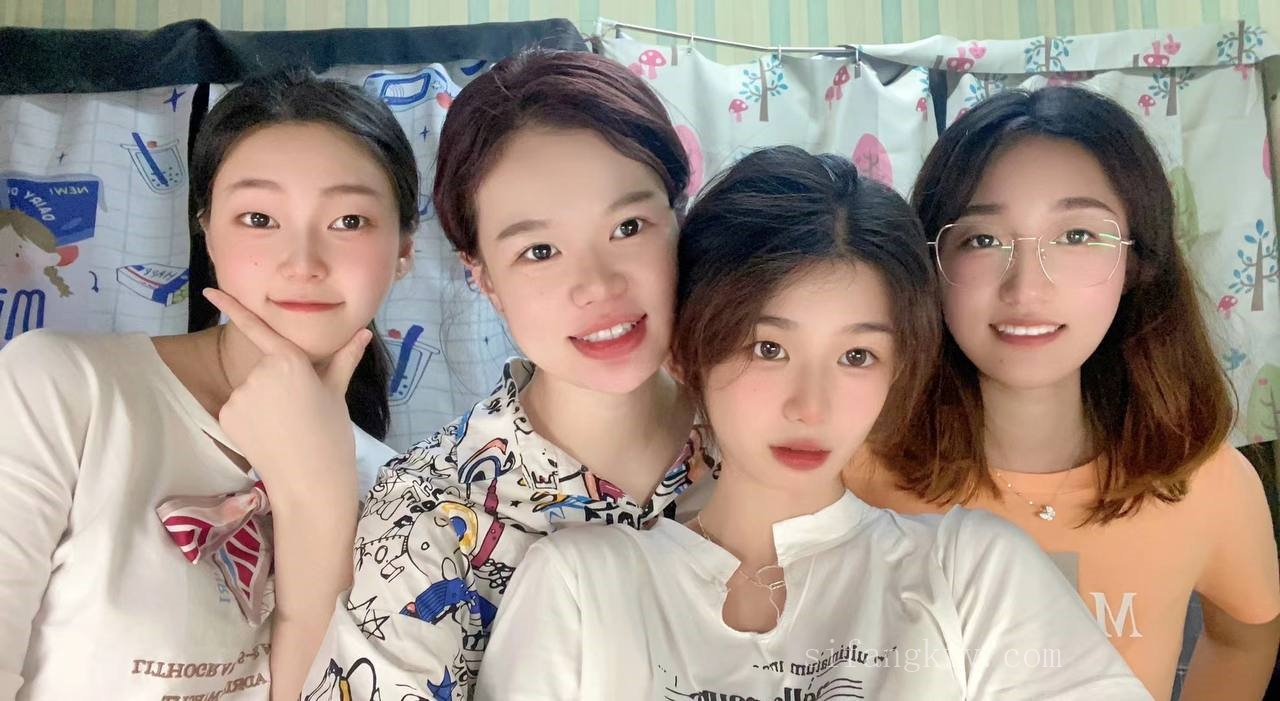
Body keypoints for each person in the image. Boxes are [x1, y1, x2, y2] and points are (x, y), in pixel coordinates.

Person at [476, 145, 1152, 701]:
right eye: (769, 348)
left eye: (857, 356)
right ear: (689, 351)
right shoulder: (581, 586)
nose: (812, 406)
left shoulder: (969, 572)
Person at [298, 50, 716, 701]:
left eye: (628, 226)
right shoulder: (428, 512)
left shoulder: (771, 434)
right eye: (539, 250)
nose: (598, 285)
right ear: (485, 277)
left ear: (678, 221)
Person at [845, 86, 1280, 701]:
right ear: (933, 265)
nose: (1026, 289)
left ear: (1134, 264)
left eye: (1076, 235)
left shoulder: (1210, 483)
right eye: (983, 239)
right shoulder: (852, 472)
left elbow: (1244, 640)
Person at [0, 69, 416, 700]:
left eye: (349, 220)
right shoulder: (58, 386)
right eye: (259, 217)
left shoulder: (400, 494)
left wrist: (320, 498)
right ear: (209, 233)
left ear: (405, 250)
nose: (302, 263)